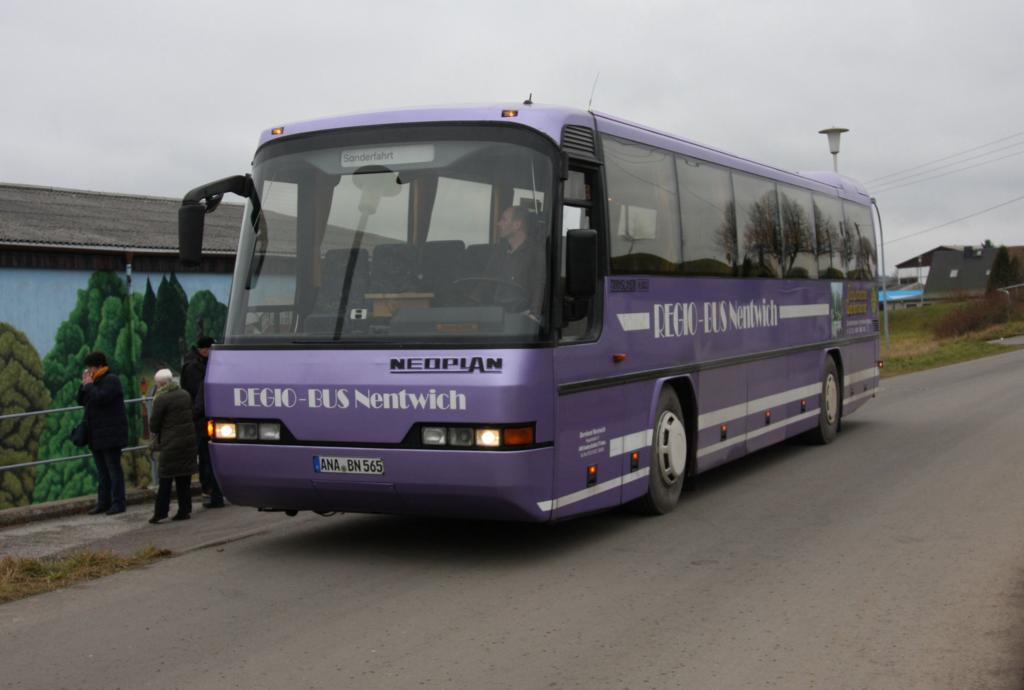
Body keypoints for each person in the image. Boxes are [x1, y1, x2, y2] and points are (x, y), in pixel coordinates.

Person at [78, 351, 129, 515]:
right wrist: (84, 386)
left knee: (113, 470)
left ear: (99, 366)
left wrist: (90, 386)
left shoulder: (111, 380)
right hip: (96, 434)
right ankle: (103, 502)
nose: (89, 370)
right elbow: (81, 400)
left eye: (90, 367)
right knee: (102, 472)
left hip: (111, 433)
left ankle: (118, 502)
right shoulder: (94, 382)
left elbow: (101, 398)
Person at [148, 369, 198, 523]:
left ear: (160, 384)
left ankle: (161, 512)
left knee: (165, 479)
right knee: (184, 479)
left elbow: (154, 425)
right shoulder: (184, 394)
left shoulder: (161, 399)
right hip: (187, 441)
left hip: (170, 443)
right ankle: (185, 510)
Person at [181, 335, 224, 508]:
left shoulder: (199, 364)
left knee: (209, 457)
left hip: (205, 418)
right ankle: (212, 493)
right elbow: (199, 395)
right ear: (204, 350)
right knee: (207, 457)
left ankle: (213, 493)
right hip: (203, 419)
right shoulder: (194, 368)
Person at [483, 205, 546, 318]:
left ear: (517, 224)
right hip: (494, 313)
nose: (498, 224)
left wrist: (533, 316)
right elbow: (485, 282)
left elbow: (538, 287)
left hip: (520, 317)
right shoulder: (499, 251)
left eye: (503, 220)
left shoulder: (536, 253)